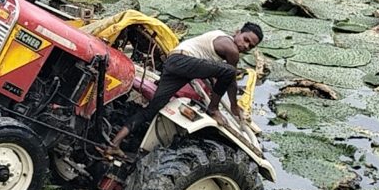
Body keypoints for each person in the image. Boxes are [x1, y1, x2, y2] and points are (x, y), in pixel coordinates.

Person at [105, 23, 264, 156]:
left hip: (174, 64)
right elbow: (231, 80)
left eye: (250, 46)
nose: (245, 46)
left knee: (152, 109)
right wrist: (234, 107)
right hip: (182, 61)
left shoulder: (219, 36)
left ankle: (114, 144)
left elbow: (209, 65)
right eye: (246, 39)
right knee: (229, 72)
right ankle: (213, 109)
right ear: (238, 32)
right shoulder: (232, 50)